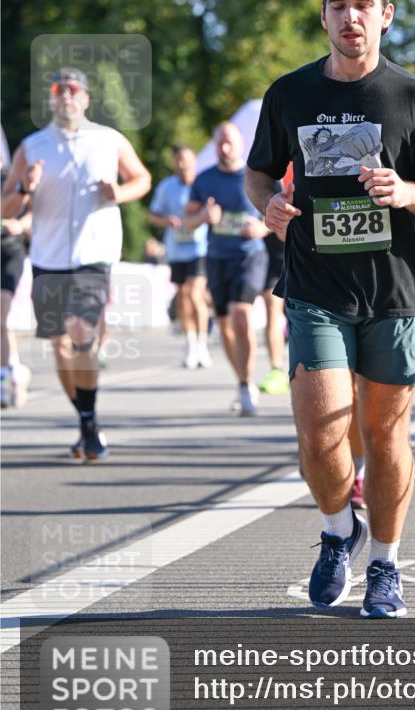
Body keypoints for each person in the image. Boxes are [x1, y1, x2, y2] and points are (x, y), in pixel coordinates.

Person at [245, 0, 415, 618]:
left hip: (393, 291)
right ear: (323, 16)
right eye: (339, 4)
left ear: (385, 16)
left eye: (364, 4)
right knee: (319, 434)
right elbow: (260, 173)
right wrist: (267, 206)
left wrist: (407, 191)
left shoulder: (414, 97)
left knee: (385, 437)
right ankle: (338, 531)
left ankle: (384, 564)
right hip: (315, 285)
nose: (351, 16)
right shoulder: (290, 94)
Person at [1, 67, 151, 460]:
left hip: (94, 255)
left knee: (80, 331)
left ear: (85, 99)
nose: (66, 95)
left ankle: (88, 424)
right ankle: (87, 422)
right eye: (58, 89)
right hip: (48, 259)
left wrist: (118, 192)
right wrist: (24, 188)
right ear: (51, 99)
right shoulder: (32, 147)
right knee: (59, 347)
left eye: (73, 90)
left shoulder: (108, 140)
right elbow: (6, 206)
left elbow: (142, 179)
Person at [184, 122, 268, 416]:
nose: (224, 147)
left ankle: (246, 387)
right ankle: (243, 381)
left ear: (240, 144)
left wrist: (263, 227)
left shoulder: (256, 176)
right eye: (220, 142)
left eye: (229, 142)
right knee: (224, 326)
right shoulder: (204, 179)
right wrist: (204, 216)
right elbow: (188, 220)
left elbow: (282, 209)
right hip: (217, 257)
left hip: (250, 256)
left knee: (241, 316)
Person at [149, 145, 211, 369]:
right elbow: (153, 214)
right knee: (183, 296)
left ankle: (203, 343)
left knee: (195, 294)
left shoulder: (203, 183)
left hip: (200, 247)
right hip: (176, 249)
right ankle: (191, 343)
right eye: (179, 160)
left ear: (194, 161)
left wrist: (203, 217)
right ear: (174, 163)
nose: (183, 164)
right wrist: (167, 221)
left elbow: (215, 211)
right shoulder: (167, 187)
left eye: (187, 160)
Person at [1, 160, 32, 408]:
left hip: (9, 252)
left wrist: (20, 225)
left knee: (0, 316)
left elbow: (37, 209)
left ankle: (3, 377)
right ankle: (15, 369)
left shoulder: (15, 178)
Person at [258, 232, 290, 394]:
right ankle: (276, 370)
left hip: (304, 255)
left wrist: (263, 227)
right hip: (271, 260)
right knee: (272, 306)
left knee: (297, 313)